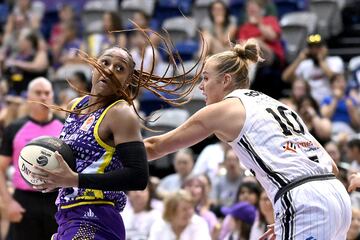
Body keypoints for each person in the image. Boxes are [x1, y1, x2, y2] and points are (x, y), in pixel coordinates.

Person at [145, 39, 352, 239]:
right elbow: (332, 167)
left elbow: (155, 146)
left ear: (225, 80)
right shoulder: (277, 105)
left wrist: (113, 152)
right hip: (336, 197)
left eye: (206, 78)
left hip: (304, 202)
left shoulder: (223, 109)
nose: (201, 86)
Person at [30, 29, 207, 239]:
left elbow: (138, 176)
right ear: (94, 65)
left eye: (120, 68)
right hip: (67, 214)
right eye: (105, 62)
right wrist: (52, 179)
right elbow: (72, 166)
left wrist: (75, 180)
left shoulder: (121, 114)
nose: (110, 69)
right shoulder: (75, 106)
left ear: (127, 81)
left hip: (95, 216)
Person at [0, 77, 63, 240]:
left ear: (52, 96)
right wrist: (8, 202)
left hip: (57, 199)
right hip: (24, 200)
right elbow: (1, 169)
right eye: (38, 93)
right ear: (29, 97)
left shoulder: (66, 127)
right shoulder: (14, 128)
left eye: (47, 93)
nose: (43, 97)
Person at [282, 33, 344, 104]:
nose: (315, 50)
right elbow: (285, 78)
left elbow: (334, 79)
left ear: (325, 47)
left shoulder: (335, 61)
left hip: (331, 102)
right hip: (311, 104)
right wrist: (299, 59)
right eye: (312, 47)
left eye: (318, 47)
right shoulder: (305, 65)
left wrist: (321, 60)